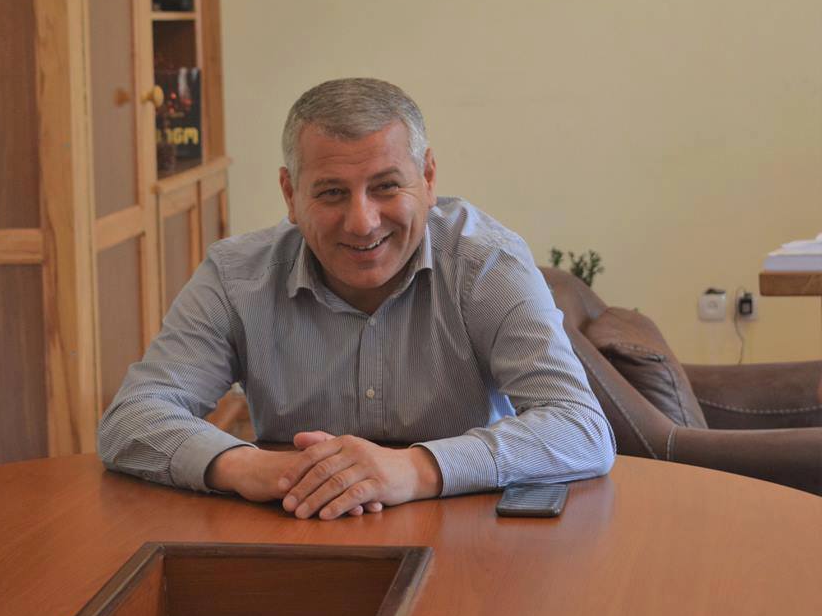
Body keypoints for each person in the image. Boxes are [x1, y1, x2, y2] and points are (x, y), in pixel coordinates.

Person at [98, 78, 615, 520]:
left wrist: (416, 468)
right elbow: (132, 417)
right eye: (331, 192)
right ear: (290, 194)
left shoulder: (487, 263)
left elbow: (580, 427)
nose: (363, 222)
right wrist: (247, 466)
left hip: (463, 534)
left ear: (428, 178)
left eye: (386, 187)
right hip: (296, 527)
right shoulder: (235, 277)